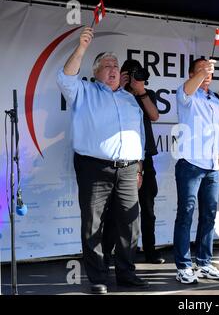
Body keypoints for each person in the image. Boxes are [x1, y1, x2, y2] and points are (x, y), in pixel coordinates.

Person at [56, 27, 148, 294]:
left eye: (116, 66)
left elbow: (138, 134)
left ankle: (126, 273)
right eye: (106, 65)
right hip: (94, 167)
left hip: (129, 169)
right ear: (96, 72)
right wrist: (82, 47)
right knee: (93, 224)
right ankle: (98, 277)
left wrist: (139, 166)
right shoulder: (83, 91)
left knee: (130, 224)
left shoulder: (130, 99)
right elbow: (65, 77)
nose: (112, 69)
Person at [102, 59, 165, 264]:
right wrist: (122, 87)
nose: (136, 78)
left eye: (138, 74)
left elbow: (154, 116)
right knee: (115, 210)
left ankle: (150, 251)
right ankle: (106, 252)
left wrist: (141, 91)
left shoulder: (147, 94)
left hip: (145, 159)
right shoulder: (116, 94)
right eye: (131, 74)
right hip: (122, 159)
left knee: (147, 208)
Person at [173, 58, 219, 284]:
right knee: (185, 215)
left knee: (208, 216)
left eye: (209, 70)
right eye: (201, 70)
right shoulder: (185, 94)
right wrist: (201, 72)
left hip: (212, 167)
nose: (207, 73)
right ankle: (183, 266)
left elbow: (218, 136)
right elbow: (187, 88)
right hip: (190, 164)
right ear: (191, 74)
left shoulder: (214, 99)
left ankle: (204, 262)